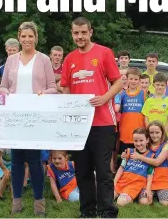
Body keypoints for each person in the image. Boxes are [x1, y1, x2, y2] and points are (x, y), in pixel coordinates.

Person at [60, 17, 122, 218]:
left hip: (103, 122)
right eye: (76, 33)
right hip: (79, 124)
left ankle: (107, 211)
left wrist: (104, 98)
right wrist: (69, 107)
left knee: (103, 170)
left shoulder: (104, 53)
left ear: (90, 32)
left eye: (83, 33)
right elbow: (66, 87)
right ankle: (87, 211)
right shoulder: (69, 59)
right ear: (72, 34)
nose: (80, 36)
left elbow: (118, 82)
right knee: (83, 170)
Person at [0, 21, 57, 216]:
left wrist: (43, 93)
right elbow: (3, 86)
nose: (26, 39)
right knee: (16, 160)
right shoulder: (11, 60)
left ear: (36, 38)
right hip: (15, 116)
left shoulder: (44, 60)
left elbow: (52, 87)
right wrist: (7, 93)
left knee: (34, 160)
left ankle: (39, 202)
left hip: (35, 116)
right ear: (19, 37)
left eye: (30, 36)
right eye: (23, 36)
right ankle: (16, 201)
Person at [133, 121, 168, 206]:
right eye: (151, 132)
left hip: (162, 180)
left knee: (167, 204)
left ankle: (158, 194)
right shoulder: (145, 144)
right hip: (147, 181)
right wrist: (126, 154)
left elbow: (157, 162)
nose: (154, 135)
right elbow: (133, 152)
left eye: (157, 132)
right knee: (144, 202)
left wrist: (140, 157)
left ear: (162, 132)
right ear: (148, 133)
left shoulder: (167, 145)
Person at [114, 128, 154, 206]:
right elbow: (121, 168)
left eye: (141, 140)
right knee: (106, 197)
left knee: (120, 202)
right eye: (135, 141)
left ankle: (130, 197)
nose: (138, 143)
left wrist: (148, 189)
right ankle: (126, 195)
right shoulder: (129, 151)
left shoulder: (151, 156)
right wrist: (114, 182)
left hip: (135, 185)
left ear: (147, 140)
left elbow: (150, 175)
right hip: (122, 182)